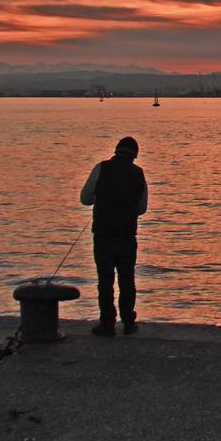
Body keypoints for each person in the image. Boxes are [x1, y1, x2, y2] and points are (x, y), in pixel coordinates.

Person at [79, 136, 148, 336]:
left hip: (103, 235)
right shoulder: (138, 173)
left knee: (105, 280)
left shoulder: (101, 168)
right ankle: (128, 323)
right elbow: (141, 209)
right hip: (126, 236)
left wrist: (101, 198)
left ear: (116, 150)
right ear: (134, 155)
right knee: (127, 279)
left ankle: (107, 324)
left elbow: (85, 199)